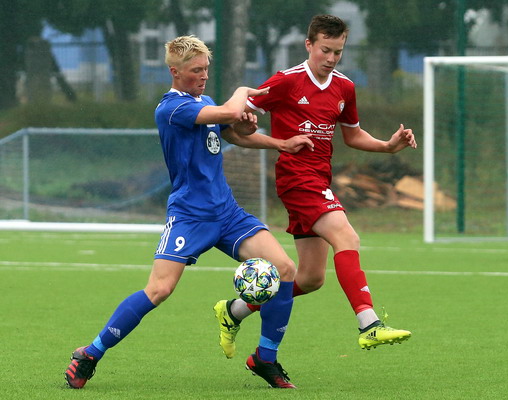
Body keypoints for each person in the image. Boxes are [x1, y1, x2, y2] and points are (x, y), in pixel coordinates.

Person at [64, 35, 312, 390]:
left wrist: (279, 142)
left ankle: (265, 358)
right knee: (159, 290)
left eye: (206, 69)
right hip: (189, 216)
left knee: (285, 269)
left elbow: (232, 133)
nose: (204, 76)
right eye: (196, 70)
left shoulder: (204, 101)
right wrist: (242, 92)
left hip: (227, 213)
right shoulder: (171, 108)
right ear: (174, 72)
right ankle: (90, 353)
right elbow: (230, 112)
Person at [213, 14, 417, 360]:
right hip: (296, 179)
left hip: (320, 180)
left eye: (338, 52)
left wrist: (387, 146)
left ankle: (234, 310)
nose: (331, 58)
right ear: (309, 45)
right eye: (325, 50)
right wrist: (253, 128)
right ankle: (369, 323)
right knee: (347, 237)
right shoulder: (286, 81)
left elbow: (352, 135)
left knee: (310, 278)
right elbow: (231, 123)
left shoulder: (345, 87)